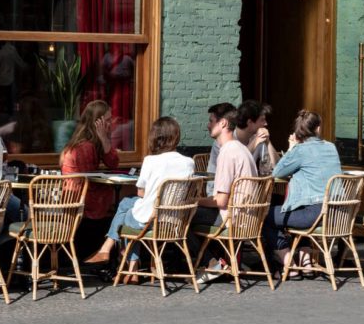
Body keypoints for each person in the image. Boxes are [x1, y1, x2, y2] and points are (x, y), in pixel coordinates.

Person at [83, 117, 194, 268]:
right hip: (175, 222)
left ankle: (116, 254)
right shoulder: (189, 162)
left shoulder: (150, 161)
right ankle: (130, 263)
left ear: (155, 137)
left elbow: (141, 193)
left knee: (126, 211)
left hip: (150, 221)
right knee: (128, 205)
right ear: (176, 136)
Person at [265, 110, 341, 271]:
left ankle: (288, 264)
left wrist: (292, 148)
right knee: (295, 209)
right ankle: (305, 260)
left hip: (314, 215)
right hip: (338, 214)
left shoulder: (300, 150)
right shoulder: (331, 147)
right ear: (318, 129)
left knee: (266, 216)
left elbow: (277, 172)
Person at [193, 107, 257, 281]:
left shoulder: (227, 152)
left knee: (181, 215)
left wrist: (194, 201)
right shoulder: (242, 148)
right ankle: (218, 262)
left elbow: (221, 201)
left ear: (223, 123)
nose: (208, 125)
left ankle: (213, 263)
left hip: (233, 219)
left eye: (211, 121)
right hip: (249, 218)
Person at [59, 101, 120, 257]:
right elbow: (87, 177)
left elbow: (113, 162)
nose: (110, 123)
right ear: (96, 122)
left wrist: (104, 139)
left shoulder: (94, 142)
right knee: (118, 200)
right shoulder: (85, 146)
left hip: (81, 193)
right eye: (107, 120)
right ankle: (106, 251)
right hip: (77, 196)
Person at [208, 100, 277, 175]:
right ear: (250, 122)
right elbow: (235, 166)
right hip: (218, 184)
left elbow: (277, 167)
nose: (266, 123)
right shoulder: (224, 140)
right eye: (262, 120)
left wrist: (268, 142)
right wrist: (255, 142)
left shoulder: (259, 138)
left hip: (247, 184)